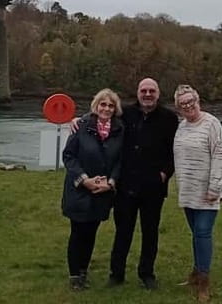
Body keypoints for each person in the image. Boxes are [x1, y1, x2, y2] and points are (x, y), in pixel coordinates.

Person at [72, 77, 178, 289]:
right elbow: (102, 116)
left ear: (158, 94)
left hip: (153, 186)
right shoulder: (126, 114)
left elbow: (175, 150)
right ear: (138, 93)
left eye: (152, 91)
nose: (147, 94)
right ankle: (116, 273)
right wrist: (78, 120)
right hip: (126, 184)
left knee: (150, 231)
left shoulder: (169, 118)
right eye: (143, 91)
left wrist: (165, 173)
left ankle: (147, 273)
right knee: (123, 231)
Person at [61, 88, 123, 291]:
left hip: (103, 191)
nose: (106, 108)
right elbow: (69, 156)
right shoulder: (81, 125)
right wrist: (84, 179)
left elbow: (121, 160)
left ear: (115, 109)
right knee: (77, 231)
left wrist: (111, 182)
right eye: (103, 104)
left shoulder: (120, 130)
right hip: (80, 189)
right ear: (96, 105)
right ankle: (74, 275)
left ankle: (83, 270)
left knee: (91, 232)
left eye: (110, 105)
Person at [172, 84, 222, 304]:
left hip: (208, 191)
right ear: (179, 107)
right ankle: (195, 273)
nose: (188, 106)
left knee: (203, 232)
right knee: (195, 232)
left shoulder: (212, 124)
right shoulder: (181, 126)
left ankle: (204, 281)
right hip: (188, 190)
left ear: (198, 100)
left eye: (191, 101)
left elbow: (220, 155)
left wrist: (215, 187)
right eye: (183, 104)